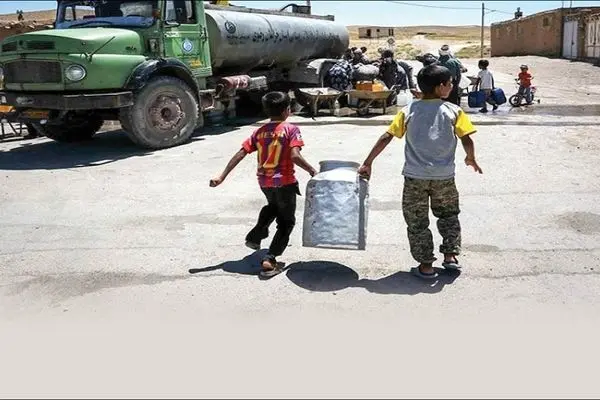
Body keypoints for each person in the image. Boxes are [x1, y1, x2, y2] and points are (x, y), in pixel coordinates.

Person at [357, 64, 483, 280]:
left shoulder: (408, 111)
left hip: (415, 177)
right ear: (440, 87)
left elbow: (386, 136)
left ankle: (426, 266)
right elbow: (466, 137)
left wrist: (368, 162)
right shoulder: (454, 111)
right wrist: (470, 158)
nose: (452, 87)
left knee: (417, 221)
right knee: (448, 215)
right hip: (444, 177)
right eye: (450, 83)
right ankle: (450, 255)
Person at [209, 92, 317, 277]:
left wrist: (222, 176)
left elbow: (241, 153)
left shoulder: (259, 131)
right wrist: (312, 170)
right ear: (287, 111)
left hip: (264, 181)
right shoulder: (291, 129)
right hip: (285, 182)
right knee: (286, 222)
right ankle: (270, 258)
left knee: (273, 206)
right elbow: (294, 155)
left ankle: (256, 233)